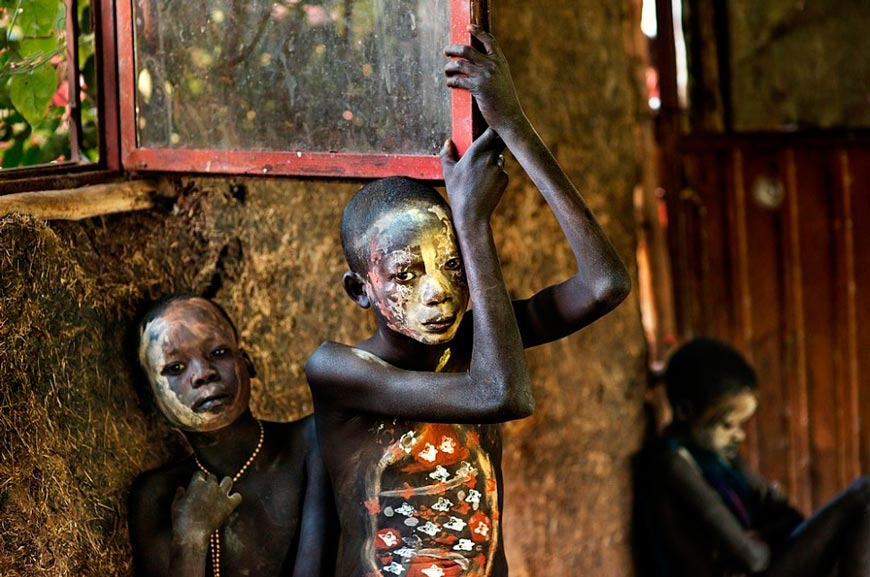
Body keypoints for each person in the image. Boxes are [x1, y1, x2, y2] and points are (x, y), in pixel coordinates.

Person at [305, 26, 631, 577]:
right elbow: (500, 393)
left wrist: (513, 127)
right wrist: (472, 225)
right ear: (361, 290)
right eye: (406, 274)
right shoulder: (340, 369)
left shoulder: (480, 344)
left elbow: (605, 284)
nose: (436, 291)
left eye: (452, 266)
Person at [129, 294, 337, 577]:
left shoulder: (313, 440)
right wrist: (190, 539)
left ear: (247, 363)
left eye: (218, 353)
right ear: (153, 398)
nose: (203, 374)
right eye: (175, 368)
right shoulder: (159, 497)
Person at [633, 337, 870, 577]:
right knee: (864, 492)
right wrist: (766, 535)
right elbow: (754, 559)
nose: (739, 436)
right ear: (685, 412)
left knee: (864, 498)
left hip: (762, 565)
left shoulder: (718, 455)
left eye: (741, 425)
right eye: (728, 425)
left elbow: (789, 516)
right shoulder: (674, 464)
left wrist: (764, 534)